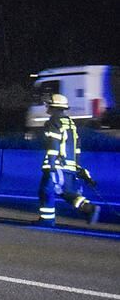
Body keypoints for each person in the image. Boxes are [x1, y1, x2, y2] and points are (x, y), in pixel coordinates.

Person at [37, 93, 101, 226]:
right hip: (70, 166)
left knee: (46, 190)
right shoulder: (71, 123)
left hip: (57, 164)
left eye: (49, 104)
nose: (47, 107)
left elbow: (53, 144)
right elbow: (77, 147)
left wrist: (52, 163)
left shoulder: (54, 121)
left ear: (54, 107)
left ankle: (47, 220)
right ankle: (88, 208)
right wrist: (77, 167)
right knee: (67, 192)